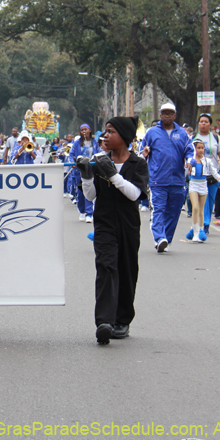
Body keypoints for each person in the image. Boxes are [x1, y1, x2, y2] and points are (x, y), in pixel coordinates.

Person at [76, 116, 148, 345]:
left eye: (111, 132)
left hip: (128, 225)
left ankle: (122, 320)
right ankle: (104, 322)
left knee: (126, 269)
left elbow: (135, 194)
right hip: (104, 224)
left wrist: (113, 175)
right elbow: (90, 196)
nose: (105, 136)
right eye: (105, 132)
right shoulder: (99, 160)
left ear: (125, 138)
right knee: (106, 266)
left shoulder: (138, 164)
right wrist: (87, 176)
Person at [140, 102, 193, 253]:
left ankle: (166, 240)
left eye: (170, 113)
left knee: (173, 212)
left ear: (174, 116)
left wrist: (189, 161)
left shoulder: (182, 133)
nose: (167, 116)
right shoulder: (152, 132)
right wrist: (143, 154)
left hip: (177, 180)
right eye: (164, 113)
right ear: (161, 115)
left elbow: (190, 150)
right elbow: (141, 152)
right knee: (158, 210)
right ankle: (159, 237)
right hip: (158, 180)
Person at [193, 113, 220, 233]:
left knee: (210, 199)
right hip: (198, 174)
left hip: (213, 173)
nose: (203, 123)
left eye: (206, 122)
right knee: (201, 199)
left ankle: (205, 223)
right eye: (201, 121)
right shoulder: (193, 137)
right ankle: (204, 224)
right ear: (198, 124)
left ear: (210, 125)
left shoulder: (216, 138)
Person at [185, 138, 220, 243]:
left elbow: (213, 171)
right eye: (198, 148)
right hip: (193, 185)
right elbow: (185, 169)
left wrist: (218, 177)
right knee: (195, 208)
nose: (201, 150)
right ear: (194, 148)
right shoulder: (190, 160)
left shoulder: (207, 160)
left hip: (203, 185)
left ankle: (200, 231)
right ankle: (195, 233)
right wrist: (189, 165)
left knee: (201, 210)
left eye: (202, 148)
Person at [70, 125, 100, 223]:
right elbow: (71, 154)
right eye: (82, 130)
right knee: (80, 192)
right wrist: (72, 163)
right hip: (79, 171)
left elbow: (98, 153)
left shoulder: (94, 143)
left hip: (90, 170)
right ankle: (82, 211)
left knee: (89, 191)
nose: (84, 131)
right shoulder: (77, 143)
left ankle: (89, 213)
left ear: (90, 131)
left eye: (85, 129)